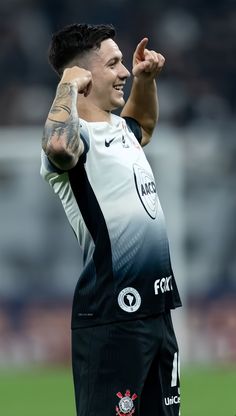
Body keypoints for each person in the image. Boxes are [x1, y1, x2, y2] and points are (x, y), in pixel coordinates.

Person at [40, 23, 182, 416]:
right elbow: (57, 145)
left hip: (156, 312)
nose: (124, 72)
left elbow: (145, 127)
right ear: (83, 75)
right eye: (114, 64)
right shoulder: (75, 139)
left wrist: (146, 80)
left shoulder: (118, 128)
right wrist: (66, 85)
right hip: (111, 318)